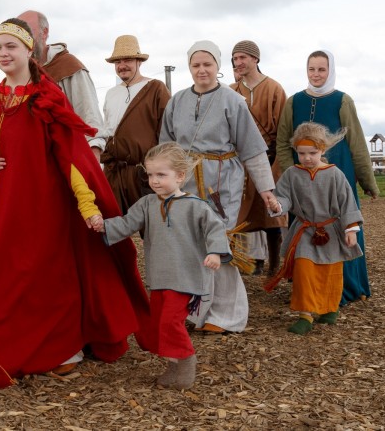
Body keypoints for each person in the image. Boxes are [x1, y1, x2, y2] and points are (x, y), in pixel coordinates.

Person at [0, 18, 149, 388]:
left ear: (29, 50)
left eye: (11, 47)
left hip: (42, 206)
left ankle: (59, 351)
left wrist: (87, 204)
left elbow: (70, 156)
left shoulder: (47, 96)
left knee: (40, 280)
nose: (3, 54)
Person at [159, 40, 277, 334]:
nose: (202, 70)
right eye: (196, 65)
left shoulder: (232, 101)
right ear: (189, 67)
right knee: (191, 246)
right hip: (186, 182)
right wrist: (163, 183)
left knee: (219, 245)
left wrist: (267, 191)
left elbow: (252, 149)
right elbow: (166, 146)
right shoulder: (177, 101)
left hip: (222, 181)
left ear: (217, 66)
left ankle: (228, 315)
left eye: (207, 64)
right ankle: (198, 311)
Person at [92, 142, 231, 389]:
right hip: (160, 277)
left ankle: (187, 360)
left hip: (187, 277)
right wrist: (103, 226)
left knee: (170, 323)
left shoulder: (196, 206)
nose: (154, 180)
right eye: (150, 174)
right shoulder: (147, 204)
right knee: (158, 324)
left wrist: (215, 253)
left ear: (180, 176)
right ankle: (173, 366)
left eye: (161, 175)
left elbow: (215, 229)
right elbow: (126, 224)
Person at [276, 50, 379, 306]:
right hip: (301, 175)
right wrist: (294, 174)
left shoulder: (343, 100)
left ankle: (344, 286)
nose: (316, 74)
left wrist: (368, 181)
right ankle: (308, 289)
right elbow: (282, 141)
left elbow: (356, 142)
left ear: (330, 70)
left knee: (342, 224)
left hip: (337, 171)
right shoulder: (293, 101)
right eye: (312, 69)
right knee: (304, 225)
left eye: (322, 69)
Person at [265, 122, 364, 335]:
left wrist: (350, 230)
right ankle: (305, 315)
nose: (307, 158)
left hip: (331, 231)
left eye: (312, 152)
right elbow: (284, 198)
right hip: (304, 231)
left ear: (323, 150)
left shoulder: (334, 174)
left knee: (330, 271)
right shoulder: (292, 174)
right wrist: (277, 204)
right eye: (302, 153)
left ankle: (329, 309)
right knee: (303, 270)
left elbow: (347, 202)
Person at [230, 40, 288, 276]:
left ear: (256, 59)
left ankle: (274, 265)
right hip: (239, 161)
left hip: (269, 157)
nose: (238, 62)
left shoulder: (274, 88)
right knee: (237, 213)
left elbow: (284, 129)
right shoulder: (231, 91)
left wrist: (278, 162)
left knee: (271, 214)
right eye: (235, 58)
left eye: (243, 57)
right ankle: (241, 263)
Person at [17, 10, 105, 159]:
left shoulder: (69, 67)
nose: (24, 38)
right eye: (19, 33)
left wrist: (92, 168)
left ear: (44, 33)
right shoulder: (19, 73)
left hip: (65, 159)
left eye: (28, 31)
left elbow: (90, 120)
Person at [100, 35, 170, 213]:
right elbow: (107, 131)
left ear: (139, 61)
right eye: (118, 61)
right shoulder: (111, 94)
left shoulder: (156, 88)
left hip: (144, 173)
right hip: (114, 172)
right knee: (112, 227)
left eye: (128, 60)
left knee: (152, 228)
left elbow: (167, 132)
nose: (122, 65)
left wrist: (160, 171)